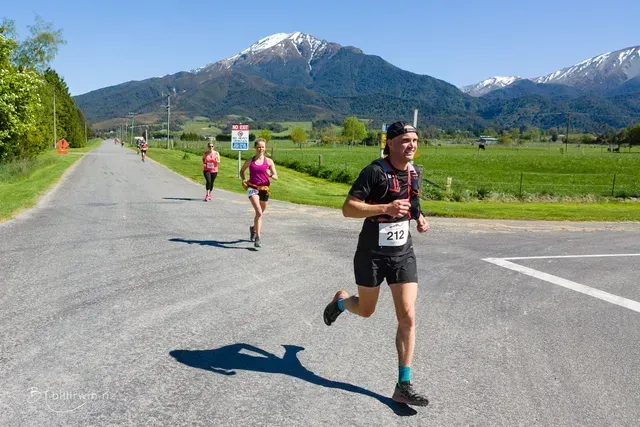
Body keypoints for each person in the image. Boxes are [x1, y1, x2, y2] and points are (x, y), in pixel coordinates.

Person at [323, 121, 430, 407]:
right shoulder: (374, 172)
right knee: (367, 310)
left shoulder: (414, 173)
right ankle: (343, 302)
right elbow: (348, 208)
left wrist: (419, 218)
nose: (412, 145)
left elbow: (413, 202)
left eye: (416, 141)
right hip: (371, 253)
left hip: (402, 254)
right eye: (406, 140)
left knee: (407, 315)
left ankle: (403, 384)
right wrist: (385, 208)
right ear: (391, 143)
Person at [239, 138, 278, 248]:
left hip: (264, 189)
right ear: (255, 148)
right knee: (259, 212)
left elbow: (276, 177)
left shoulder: (269, 161)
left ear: (265, 148)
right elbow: (242, 171)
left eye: (262, 147)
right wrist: (243, 179)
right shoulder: (250, 161)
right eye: (259, 147)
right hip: (252, 188)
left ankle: (253, 228)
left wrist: (270, 174)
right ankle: (258, 238)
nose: (261, 149)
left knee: (259, 214)